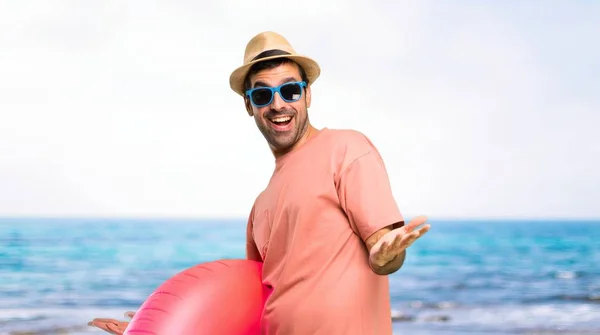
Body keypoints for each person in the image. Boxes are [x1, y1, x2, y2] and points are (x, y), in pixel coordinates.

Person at [88, 31, 430, 335]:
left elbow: (383, 253)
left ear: (307, 95)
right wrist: (167, 325)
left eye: (290, 90)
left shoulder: (346, 149)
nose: (278, 104)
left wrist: (386, 253)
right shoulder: (260, 206)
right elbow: (253, 305)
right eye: (263, 95)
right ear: (249, 105)